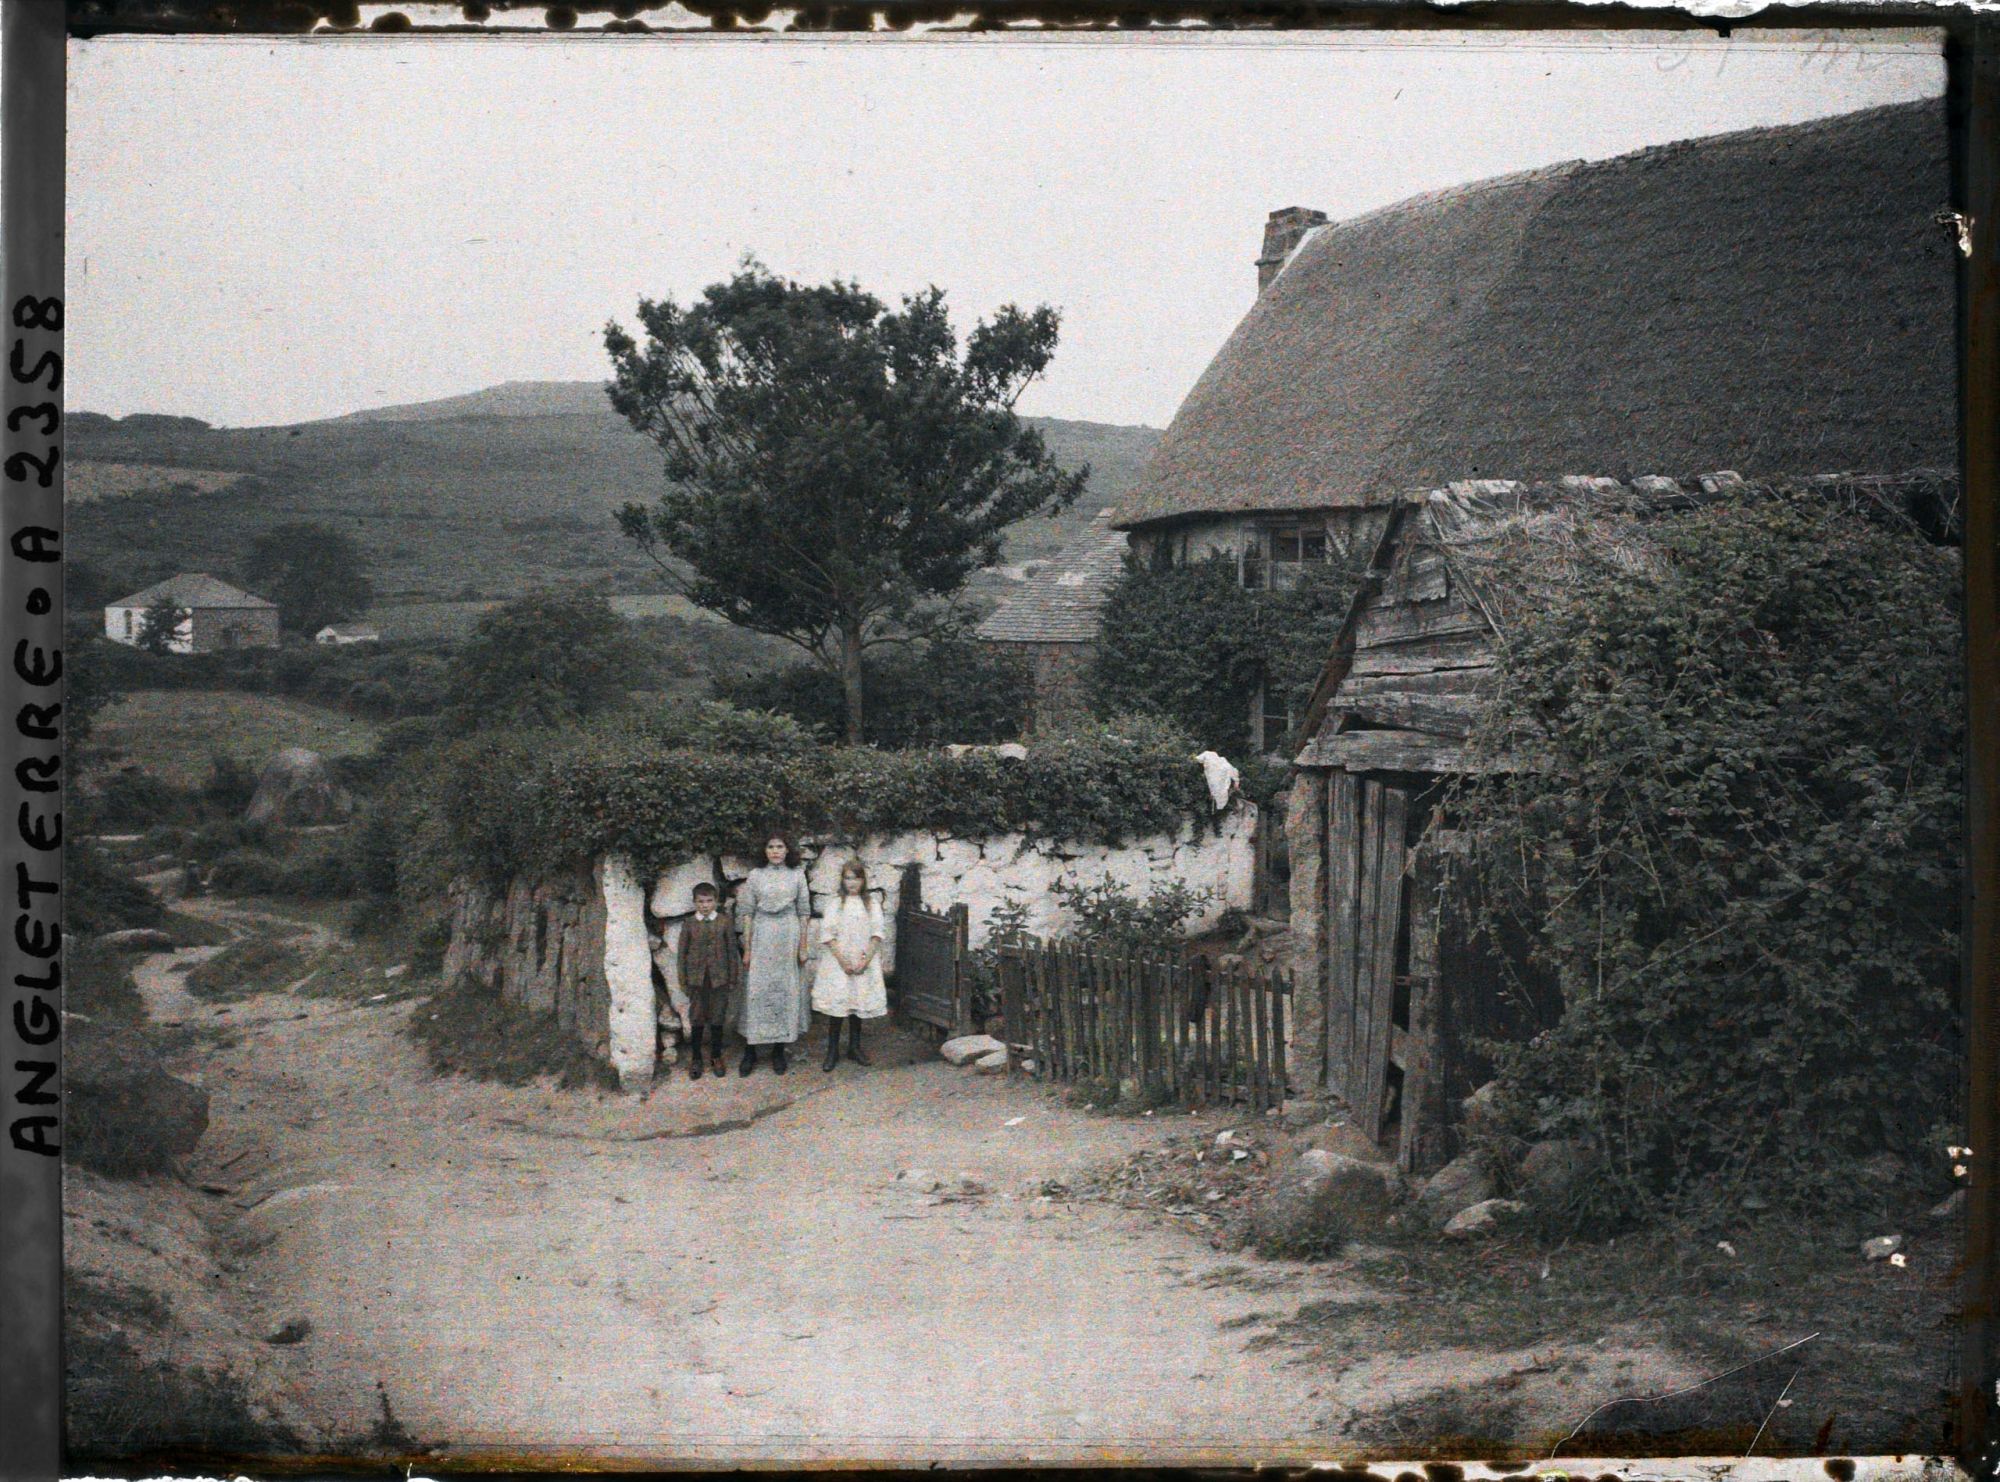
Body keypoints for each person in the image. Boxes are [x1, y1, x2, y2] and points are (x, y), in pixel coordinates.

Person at [737, 834, 811, 1076]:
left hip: (788, 936)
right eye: (771, 847)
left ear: (788, 850)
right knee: (757, 990)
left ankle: (778, 1049)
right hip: (762, 935)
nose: (776, 851)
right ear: (764, 850)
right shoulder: (755, 876)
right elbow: (747, 913)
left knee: (784, 990)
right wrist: (748, 949)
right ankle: (751, 1050)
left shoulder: (797, 875)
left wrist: (802, 946)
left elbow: (804, 912)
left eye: (780, 846)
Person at [813, 859, 887, 1071]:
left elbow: (877, 933)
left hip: (863, 961)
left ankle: (854, 1047)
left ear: (863, 880)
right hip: (839, 962)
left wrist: (866, 960)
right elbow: (828, 935)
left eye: (856, 878)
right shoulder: (836, 903)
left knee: (857, 1003)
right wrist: (843, 961)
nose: (852, 883)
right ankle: (832, 1050)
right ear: (842, 880)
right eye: (848, 878)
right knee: (838, 1005)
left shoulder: (871, 904)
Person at [677, 882, 739, 1081]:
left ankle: (716, 1056)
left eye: (709, 901)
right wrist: (684, 981)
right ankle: (696, 1058)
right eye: (701, 901)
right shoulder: (689, 924)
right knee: (697, 1018)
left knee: (717, 1018)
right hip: (696, 980)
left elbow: (731, 952)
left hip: (719, 980)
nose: (705, 905)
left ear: (716, 902)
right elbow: (682, 954)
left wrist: (732, 979)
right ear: (694, 902)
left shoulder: (724, 922)